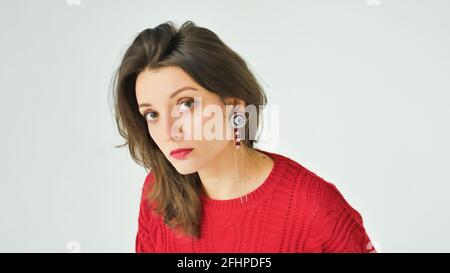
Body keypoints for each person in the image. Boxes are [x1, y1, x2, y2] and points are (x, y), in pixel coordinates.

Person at [111, 20, 376, 253]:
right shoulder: (158, 193)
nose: (169, 132)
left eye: (186, 104)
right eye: (152, 114)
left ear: (235, 106)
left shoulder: (314, 209)